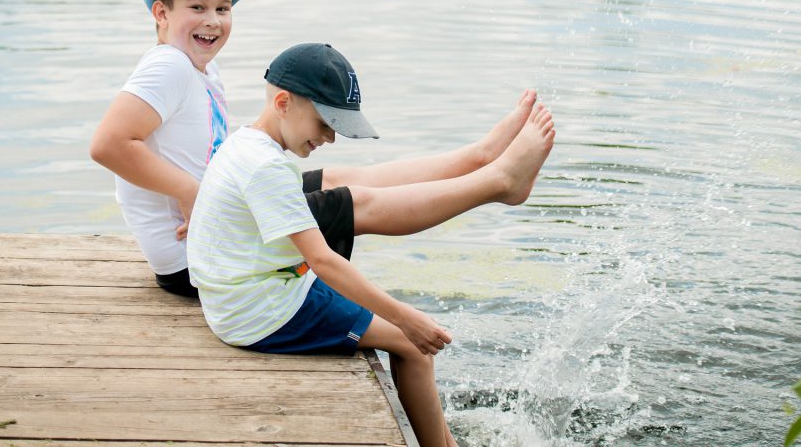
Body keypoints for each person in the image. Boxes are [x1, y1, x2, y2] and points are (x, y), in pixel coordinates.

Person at [90, 0, 539, 297]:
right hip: (201, 259)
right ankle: (498, 182)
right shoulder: (167, 64)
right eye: (197, 6)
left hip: (212, 236)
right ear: (162, 14)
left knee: (340, 177)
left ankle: (480, 156)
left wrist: (218, 184)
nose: (213, 21)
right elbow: (109, 145)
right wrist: (194, 193)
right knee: (355, 202)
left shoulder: (198, 68)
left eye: (223, 9)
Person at [187, 43, 555, 447]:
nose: (329, 137)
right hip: (259, 312)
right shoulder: (267, 168)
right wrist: (405, 318)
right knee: (413, 347)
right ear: (283, 103)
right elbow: (322, 261)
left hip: (243, 294)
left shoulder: (249, 144)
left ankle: (483, 159)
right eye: (325, 123)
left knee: (348, 182)